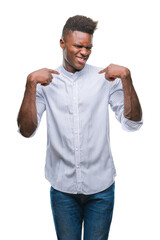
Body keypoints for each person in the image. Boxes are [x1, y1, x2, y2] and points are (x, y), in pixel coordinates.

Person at [17, 15, 143, 240]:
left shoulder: (104, 78)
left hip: (101, 189)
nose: (84, 51)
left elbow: (132, 123)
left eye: (88, 47)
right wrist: (30, 84)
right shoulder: (46, 83)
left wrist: (126, 78)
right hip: (63, 190)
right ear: (62, 43)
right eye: (78, 45)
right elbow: (27, 131)